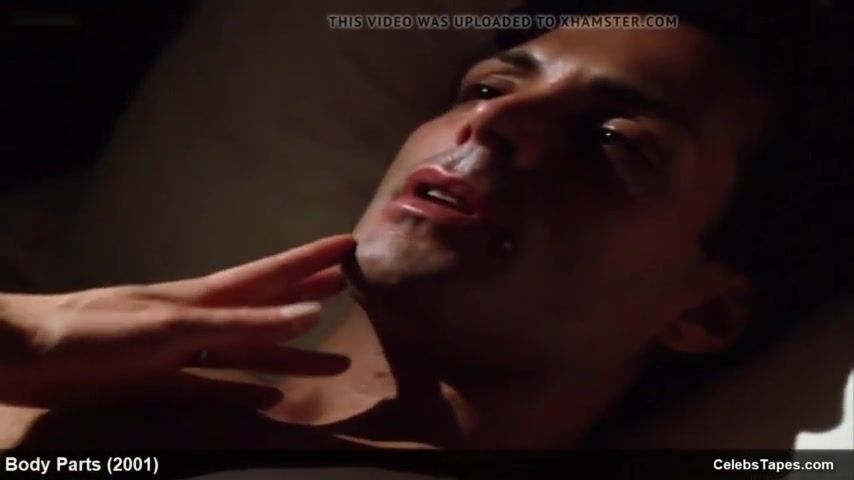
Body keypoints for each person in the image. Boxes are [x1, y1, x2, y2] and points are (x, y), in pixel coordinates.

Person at [0, 0, 849, 458]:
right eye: (486, 88)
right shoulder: (73, 363)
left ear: (703, 311)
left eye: (616, 140)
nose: (494, 123)